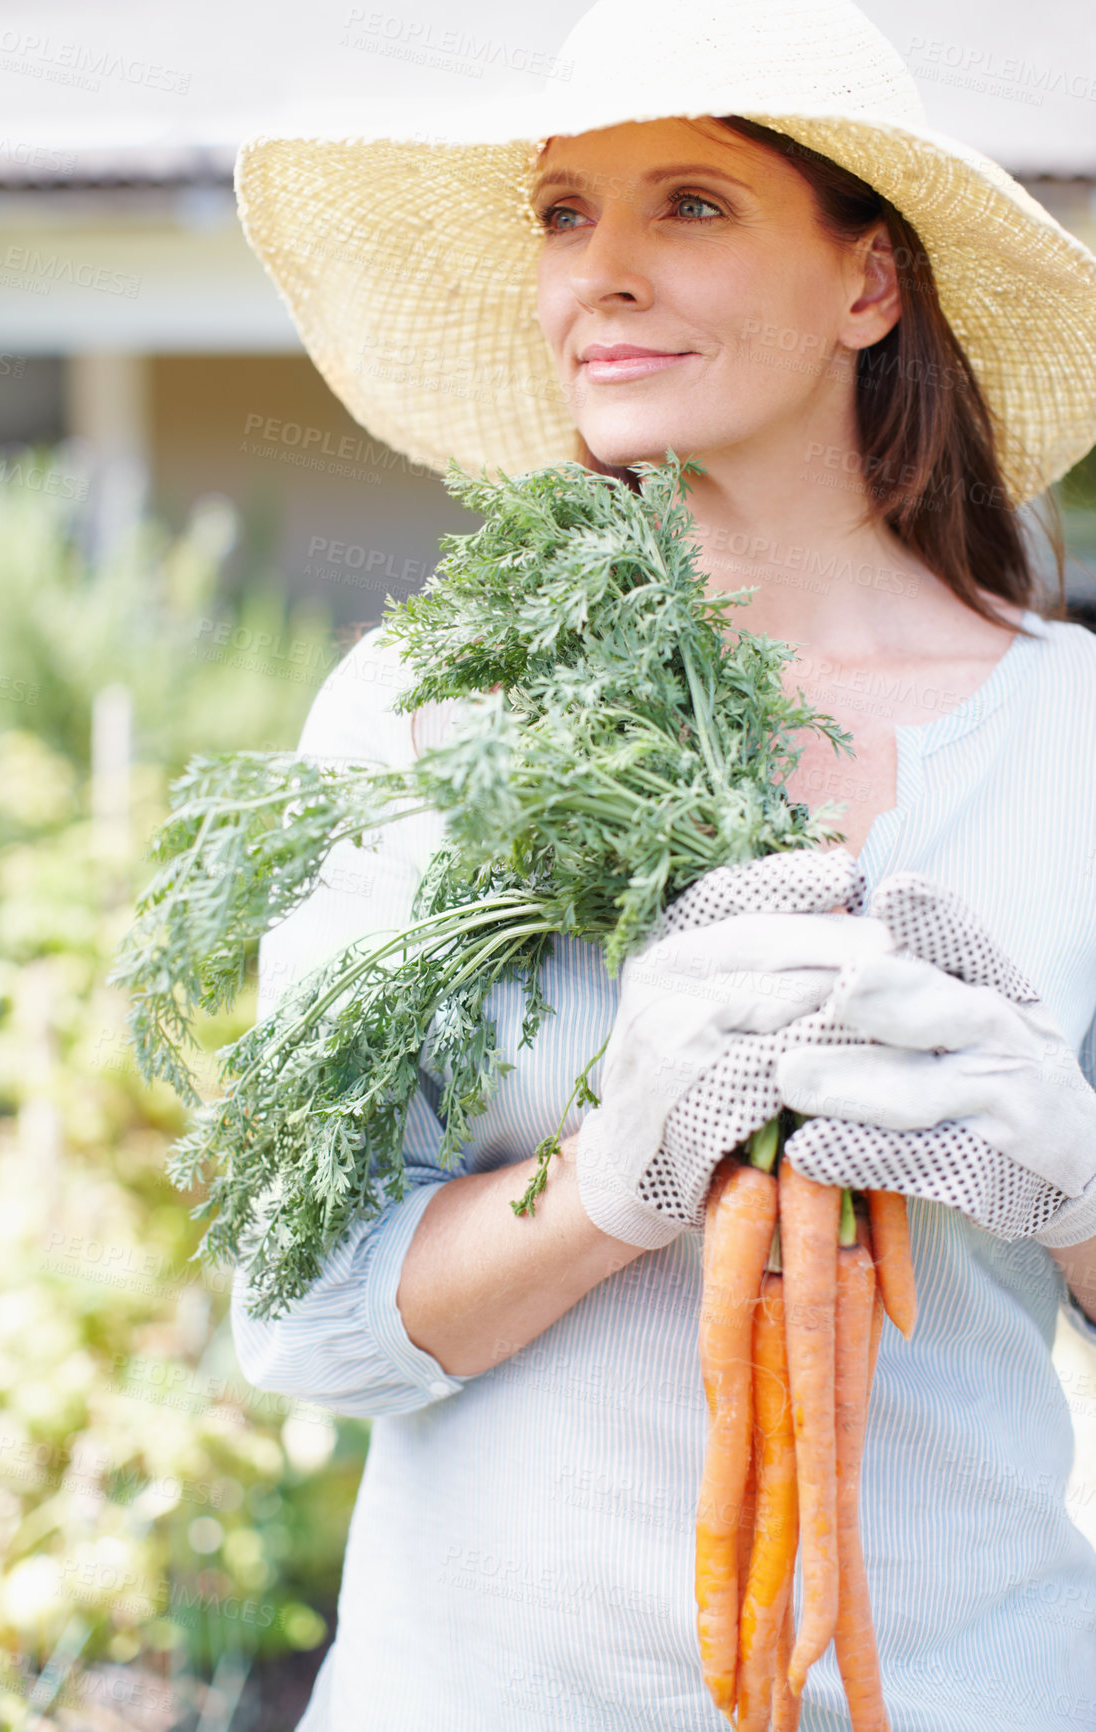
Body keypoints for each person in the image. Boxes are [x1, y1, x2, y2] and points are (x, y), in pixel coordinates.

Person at [229, 0, 1096, 1724]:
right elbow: (303, 1320)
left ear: (869, 285)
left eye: (687, 203)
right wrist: (611, 1175)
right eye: (565, 213)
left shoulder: (1076, 740)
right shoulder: (429, 712)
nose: (596, 274)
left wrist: (1077, 1183)